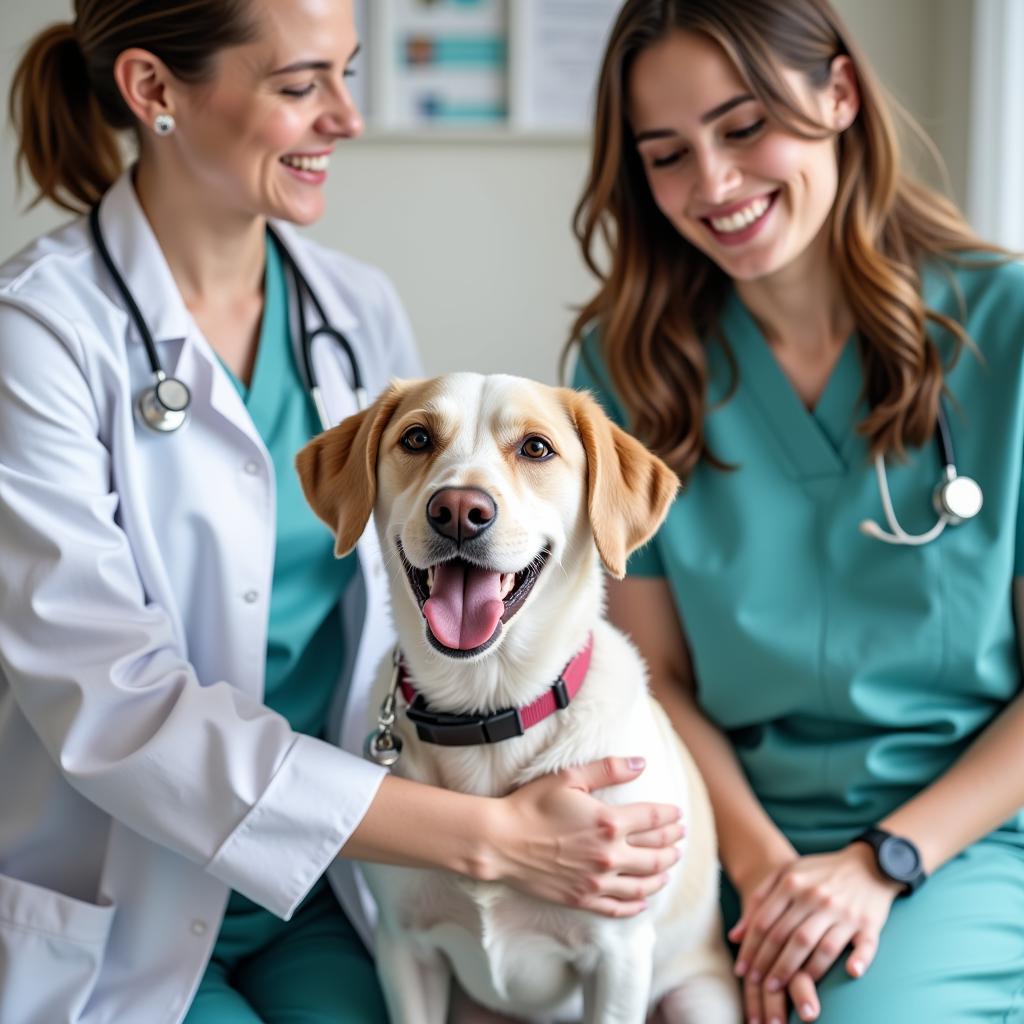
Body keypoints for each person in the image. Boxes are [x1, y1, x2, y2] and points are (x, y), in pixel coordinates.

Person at [0, 2, 684, 1022]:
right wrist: (493, 840)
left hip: (327, 886)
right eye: (299, 84)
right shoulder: (39, 334)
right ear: (154, 92)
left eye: (348, 74)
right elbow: (107, 700)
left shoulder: (354, 311)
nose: (347, 118)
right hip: (122, 896)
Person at [568, 1, 1024, 1022]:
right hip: (722, 826)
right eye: (666, 154)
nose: (714, 185)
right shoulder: (630, 364)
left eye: (741, 127)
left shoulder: (1005, 326)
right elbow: (656, 676)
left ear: (839, 95)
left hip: (958, 833)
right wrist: (762, 862)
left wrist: (881, 859)